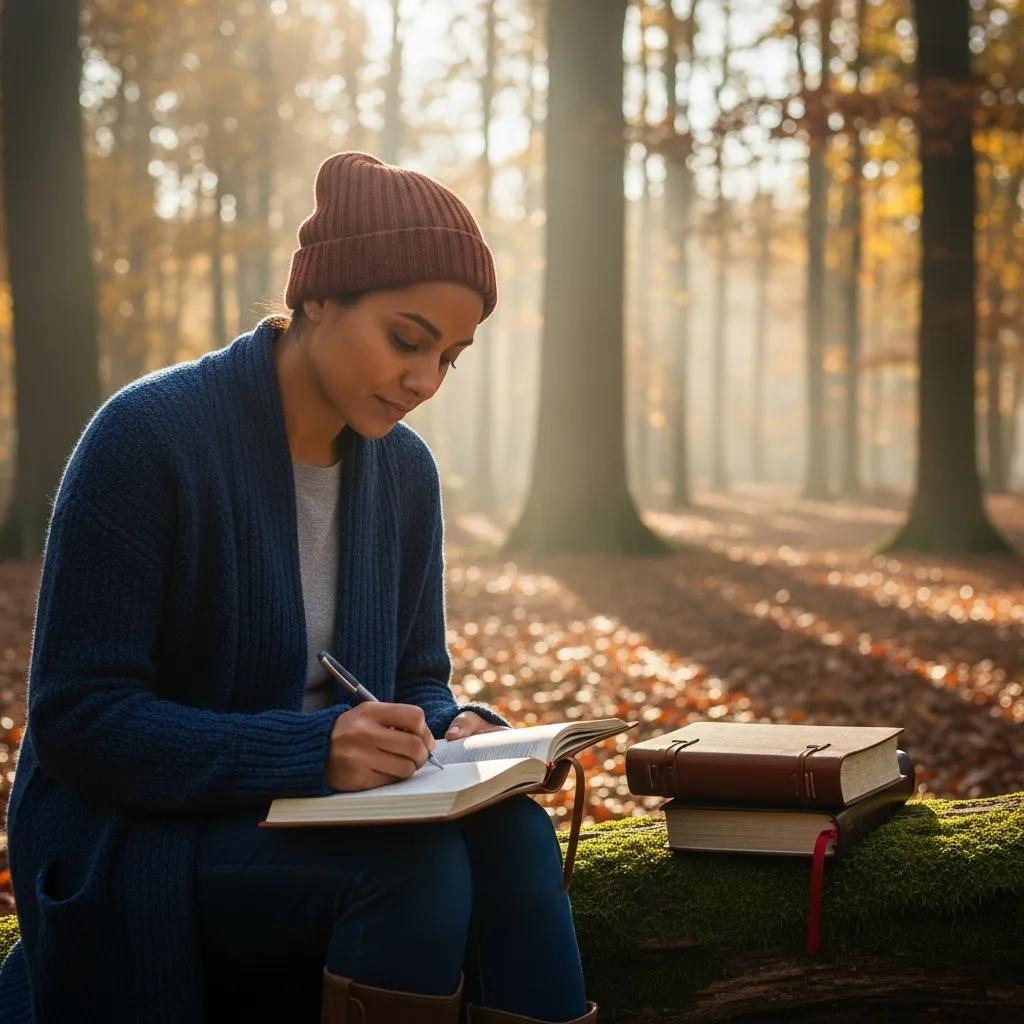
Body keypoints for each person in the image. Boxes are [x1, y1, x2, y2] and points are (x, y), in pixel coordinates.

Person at [0, 152, 598, 1023]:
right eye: (407, 338)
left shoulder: (406, 476)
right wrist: (309, 752)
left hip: (322, 816)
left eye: (450, 358)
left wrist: (455, 730)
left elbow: (416, 678)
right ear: (319, 296)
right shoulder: (145, 441)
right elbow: (79, 720)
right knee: (413, 869)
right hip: (142, 839)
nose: (425, 380)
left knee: (512, 837)